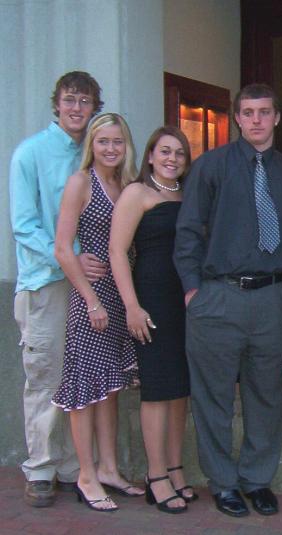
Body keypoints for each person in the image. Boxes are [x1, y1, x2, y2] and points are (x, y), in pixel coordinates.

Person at [174, 83, 282, 518]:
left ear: (277, 118)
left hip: (273, 299)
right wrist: (193, 291)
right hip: (218, 297)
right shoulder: (210, 166)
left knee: (268, 395)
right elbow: (188, 231)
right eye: (248, 113)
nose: (256, 120)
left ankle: (256, 479)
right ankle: (223, 482)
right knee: (213, 398)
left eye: (264, 112)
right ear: (237, 118)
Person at [9, 71, 104, 508]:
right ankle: (42, 468)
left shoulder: (93, 154)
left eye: (85, 101)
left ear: (95, 108)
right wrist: (69, 258)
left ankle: (72, 466)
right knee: (46, 372)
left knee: (78, 372)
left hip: (91, 283)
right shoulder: (30, 153)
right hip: (46, 282)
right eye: (70, 99)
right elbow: (24, 226)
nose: (76, 108)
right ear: (57, 104)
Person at [52, 112, 143, 512]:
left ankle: (108, 468)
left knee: (110, 387)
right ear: (92, 144)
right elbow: (62, 248)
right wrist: (90, 299)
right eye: (103, 141)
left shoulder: (126, 184)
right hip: (92, 300)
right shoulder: (81, 182)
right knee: (85, 388)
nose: (110, 148)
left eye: (117, 141)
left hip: (121, 297)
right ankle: (86, 475)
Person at [108, 126, 194, 514]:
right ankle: (155, 476)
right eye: (165, 151)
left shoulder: (188, 195)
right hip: (152, 301)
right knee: (158, 389)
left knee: (179, 389)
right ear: (150, 156)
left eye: (179, 153)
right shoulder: (137, 193)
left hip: (185, 303)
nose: (172, 158)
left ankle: (175, 469)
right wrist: (132, 306)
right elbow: (116, 251)